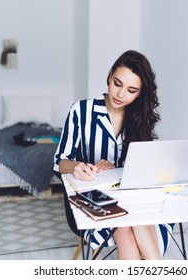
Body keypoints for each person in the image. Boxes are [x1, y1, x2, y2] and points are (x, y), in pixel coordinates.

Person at [53, 50, 174, 260]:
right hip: (90, 196)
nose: (120, 95)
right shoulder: (81, 111)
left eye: (131, 90)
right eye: (117, 84)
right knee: (128, 223)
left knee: (135, 216)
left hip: (128, 195)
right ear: (110, 76)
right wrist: (76, 166)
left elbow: (141, 167)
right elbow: (59, 162)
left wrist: (120, 169)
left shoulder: (139, 118)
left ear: (140, 93)